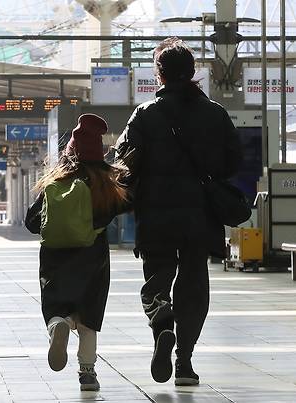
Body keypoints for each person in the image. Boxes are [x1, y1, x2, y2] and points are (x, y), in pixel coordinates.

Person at [113, 37, 242, 386]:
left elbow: (122, 164)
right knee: (194, 285)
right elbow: (235, 161)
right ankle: (184, 361)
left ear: (159, 74)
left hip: (156, 215)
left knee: (156, 280)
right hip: (200, 216)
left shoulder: (145, 114)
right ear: (192, 72)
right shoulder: (215, 113)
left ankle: (162, 321)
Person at [25, 114, 129, 391]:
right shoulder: (104, 183)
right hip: (92, 256)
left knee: (57, 306)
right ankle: (87, 373)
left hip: (55, 258)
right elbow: (119, 209)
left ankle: (59, 323)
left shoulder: (54, 182)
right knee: (89, 316)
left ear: (69, 151)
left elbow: (31, 223)